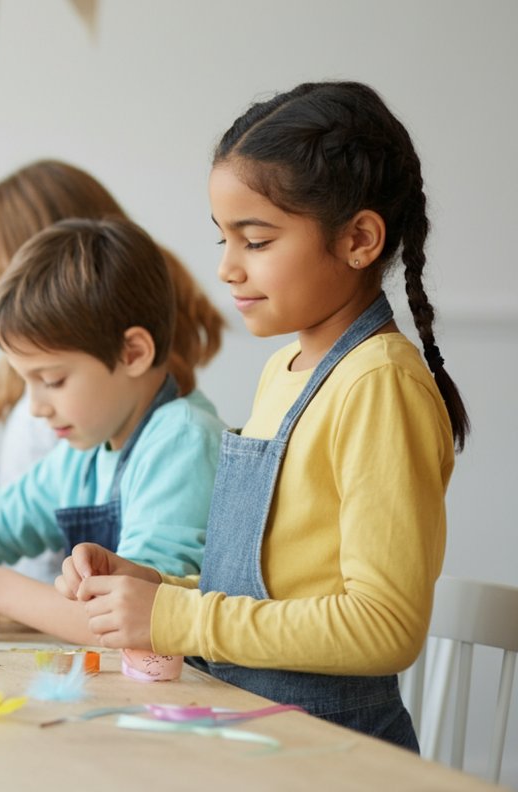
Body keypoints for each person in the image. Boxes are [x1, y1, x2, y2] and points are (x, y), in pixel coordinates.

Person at [57, 82, 467, 750]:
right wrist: (154, 586)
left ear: (359, 238)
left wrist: (178, 616)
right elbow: (276, 588)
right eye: (223, 238)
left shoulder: (379, 385)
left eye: (256, 241)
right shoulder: (284, 371)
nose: (226, 268)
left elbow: (384, 627)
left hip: (334, 752)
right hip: (252, 728)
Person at [0, 218, 227, 644]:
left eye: (53, 380)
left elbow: (133, 621)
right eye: (27, 382)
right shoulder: (86, 450)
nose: (36, 407)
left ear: (132, 353)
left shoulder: (182, 442)